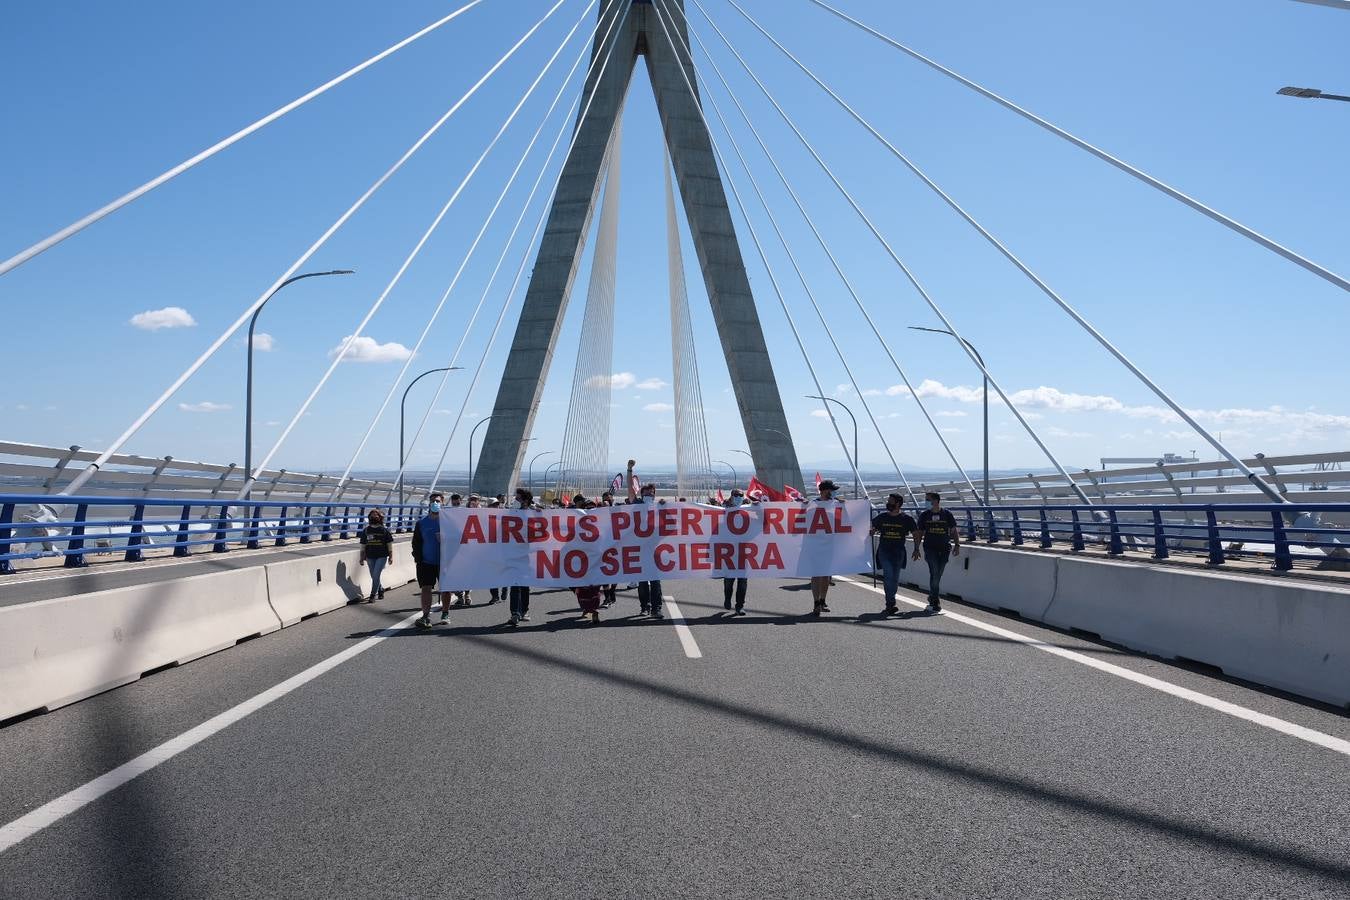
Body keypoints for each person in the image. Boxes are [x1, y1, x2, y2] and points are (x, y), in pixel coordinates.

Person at [627, 458, 664, 619]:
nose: (650, 495)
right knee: (643, 582)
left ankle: (657, 608)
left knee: (655, 581)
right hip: (640, 549)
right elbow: (629, 488)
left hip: (655, 550)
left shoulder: (659, 508)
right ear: (641, 494)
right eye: (647, 493)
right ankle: (645, 607)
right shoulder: (637, 505)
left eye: (652, 494)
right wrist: (629, 470)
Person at [870, 493, 918, 615]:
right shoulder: (882, 517)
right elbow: (872, 527)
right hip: (884, 551)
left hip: (898, 552)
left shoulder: (907, 519)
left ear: (897, 504)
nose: (888, 503)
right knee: (888, 576)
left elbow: (916, 533)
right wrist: (872, 530)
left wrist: (916, 549)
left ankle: (891, 602)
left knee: (895, 579)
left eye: (890, 501)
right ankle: (890, 603)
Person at [914, 491, 960, 614]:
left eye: (928, 500)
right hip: (930, 548)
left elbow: (954, 530)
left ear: (936, 501)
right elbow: (919, 533)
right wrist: (916, 548)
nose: (926, 502)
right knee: (934, 571)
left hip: (944, 548)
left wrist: (957, 545)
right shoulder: (924, 515)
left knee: (938, 574)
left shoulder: (947, 514)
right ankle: (935, 600)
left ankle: (932, 596)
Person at [411, 492, 452, 628]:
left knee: (445, 589)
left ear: (443, 503)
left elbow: (457, 540)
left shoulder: (448, 522)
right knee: (426, 588)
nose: (435, 503)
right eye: (433, 501)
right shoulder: (421, 523)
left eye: (438, 501)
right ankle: (425, 616)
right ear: (429, 504)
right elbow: (416, 543)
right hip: (426, 562)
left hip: (444, 562)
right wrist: (418, 559)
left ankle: (445, 613)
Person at [809, 479, 842, 616]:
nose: (833, 492)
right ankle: (816, 602)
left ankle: (822, 601)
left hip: (830, 545)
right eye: (831, 490)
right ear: (823, 490)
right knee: (816, 575)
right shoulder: (812, 505)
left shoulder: (836, 505)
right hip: (815, 545)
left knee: (826, 576)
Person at [507, 487, 535, 627]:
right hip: (513, 554)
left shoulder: (534, 514)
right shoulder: (511, 513)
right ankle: (515, 613)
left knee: (524, 585)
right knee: (514, 584)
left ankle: (523, 610)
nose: (515, 501)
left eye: (518, 498)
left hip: (528, 555)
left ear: (525, 501)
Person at [358, 509, 395, 603]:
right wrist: (361, 557)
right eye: (372, 515)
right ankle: (380, 589)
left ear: (380, 517)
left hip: (381, 556)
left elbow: (389, 544)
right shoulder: (366, 530)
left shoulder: (384, 530)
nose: (374, 516)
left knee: (376, 574)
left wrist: (391, 556)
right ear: (369, 517)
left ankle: (372, 595)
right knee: (374, 576)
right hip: (370, 556)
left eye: (376, 515)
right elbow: (363, 545)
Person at [722, 488, 749, 615]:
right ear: (731, 496)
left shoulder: (748, 507)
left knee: (742, 580)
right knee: (729, 580)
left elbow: (763, 521)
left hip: (744, 550)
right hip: (728, 551)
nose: (739, 497)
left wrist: (757, 507)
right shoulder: (723, 508)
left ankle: (740, 606)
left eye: (741, 495)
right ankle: (727, 599)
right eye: (736, 495)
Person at [598, 491, 618, 607]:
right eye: (605, 499)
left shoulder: (618, 509)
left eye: (609, 499)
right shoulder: (598, 511)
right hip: (602, 547)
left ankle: (612, 592)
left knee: (616, 573)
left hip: (616, 546)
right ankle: (607, 597)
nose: (607, 501)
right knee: (604, 573)